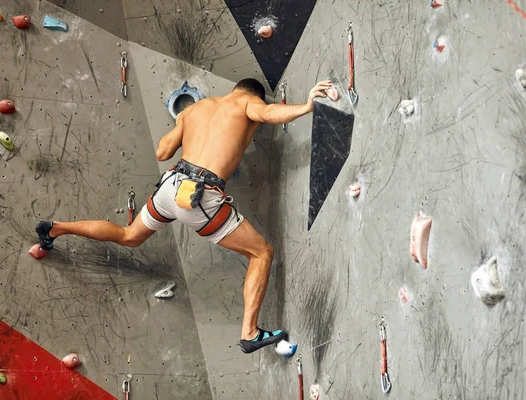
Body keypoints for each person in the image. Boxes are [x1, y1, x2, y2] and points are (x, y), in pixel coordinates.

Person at [34, 78, 333, 353]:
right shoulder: (245, 102)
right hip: (201, 196)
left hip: (170, 186)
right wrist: (306, 106)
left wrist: (183, 125)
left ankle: (57, 228)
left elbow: (162, 153)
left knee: (129, 235)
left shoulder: (194, 110)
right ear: (251, 93)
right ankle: (249, 332)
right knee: (262, 253)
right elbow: (268, 115)